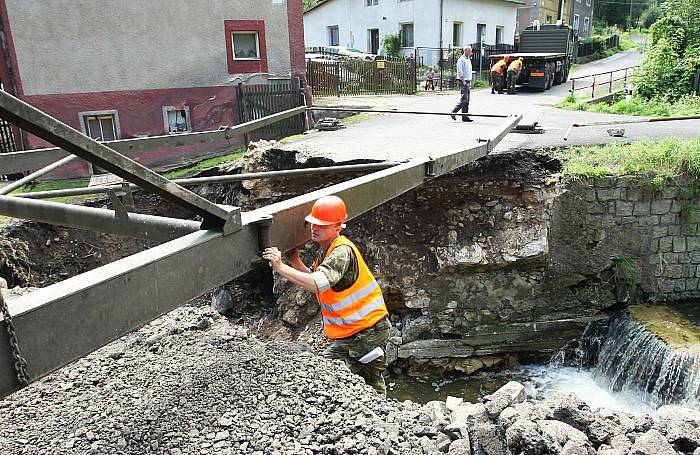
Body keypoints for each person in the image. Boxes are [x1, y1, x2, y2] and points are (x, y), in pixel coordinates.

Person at [261, 195, 391, 395]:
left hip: (367, 333)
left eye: (322, 225)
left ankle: (382, 418)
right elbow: (316, 278)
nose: (315, 228)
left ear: (338, 227)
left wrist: (279, 266)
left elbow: (317, 284)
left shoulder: (342, 252)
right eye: (313, 223)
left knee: (368, 385)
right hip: (354, 333)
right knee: (329, 374)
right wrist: (294, 261)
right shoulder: (328, 250)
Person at [450, 46, 473, 122]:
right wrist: (463, 82)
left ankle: (465, 116)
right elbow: (460, 72)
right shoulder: (461, 60)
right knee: (464, 99)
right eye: (469, 51)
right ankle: (453, 112)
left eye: (470, 51)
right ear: (465, 51)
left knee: (467, 100)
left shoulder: (468, 59)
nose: (470, 53)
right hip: (463, 81)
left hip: (468, 81)